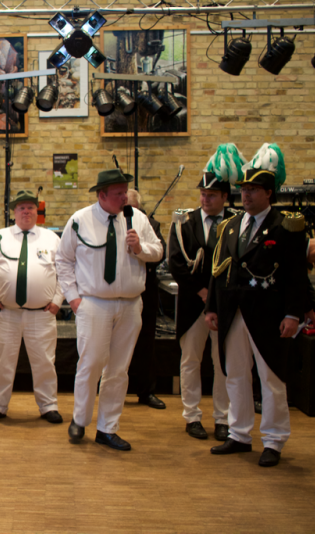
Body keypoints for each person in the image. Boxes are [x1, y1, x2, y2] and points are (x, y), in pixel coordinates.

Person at [205, 143, 310, 467]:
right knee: (235, 375)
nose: (245, 195)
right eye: (243, 190)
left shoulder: (285, 226)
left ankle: (274, 440)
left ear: (268, 192)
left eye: (252, 190)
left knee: (271, 378)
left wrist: (293, 313)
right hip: (233, 310)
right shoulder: (231, 225)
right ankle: (239, 433)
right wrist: (212, 307)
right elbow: (218, 269)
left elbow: (296, 274)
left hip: (268, 313)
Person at [56, 169, 163, 451]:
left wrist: (140, 248)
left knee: (118, 369)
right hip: (93, 303)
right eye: (118, 193)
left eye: (125, 192)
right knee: (90, 363)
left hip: (130, 304)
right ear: (102, 195)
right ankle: (80, 419)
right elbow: (63, 260)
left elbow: (158, 251)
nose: (124, 197)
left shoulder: (138, 219)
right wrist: (73, 298)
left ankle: (107, 428)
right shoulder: (80, 220)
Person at [168, 146, 241, 441]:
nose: (205, 199)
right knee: (190, 360)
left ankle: (222, 418)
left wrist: (217, 297)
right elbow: (176, 262)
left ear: (224, 196)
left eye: (211, 195)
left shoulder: (236, 222)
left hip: (225, 304)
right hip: (193, 302)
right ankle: (192, 416)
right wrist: (201, 292)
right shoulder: (185, 222)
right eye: (202, 194)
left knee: (222, 361)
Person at [0, 190, 63, 425]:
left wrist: (58, 300)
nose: (26, 211)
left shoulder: (51, 239)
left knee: (45, 362)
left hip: (42, 314)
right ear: (14, 212)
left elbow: (65, 271)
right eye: (21, 208)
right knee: (3, 362)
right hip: (7, 314)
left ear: (37, 211)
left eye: (30, 207)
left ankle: (48, 405)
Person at [125, 188, 167, 410]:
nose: (129, 212)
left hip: (146, 290)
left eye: (133, 208)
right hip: (118, 293)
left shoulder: (151, 225)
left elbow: (160, 254)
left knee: (146, 342)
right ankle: (113, 390)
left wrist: (139, 248)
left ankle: (146, 391)